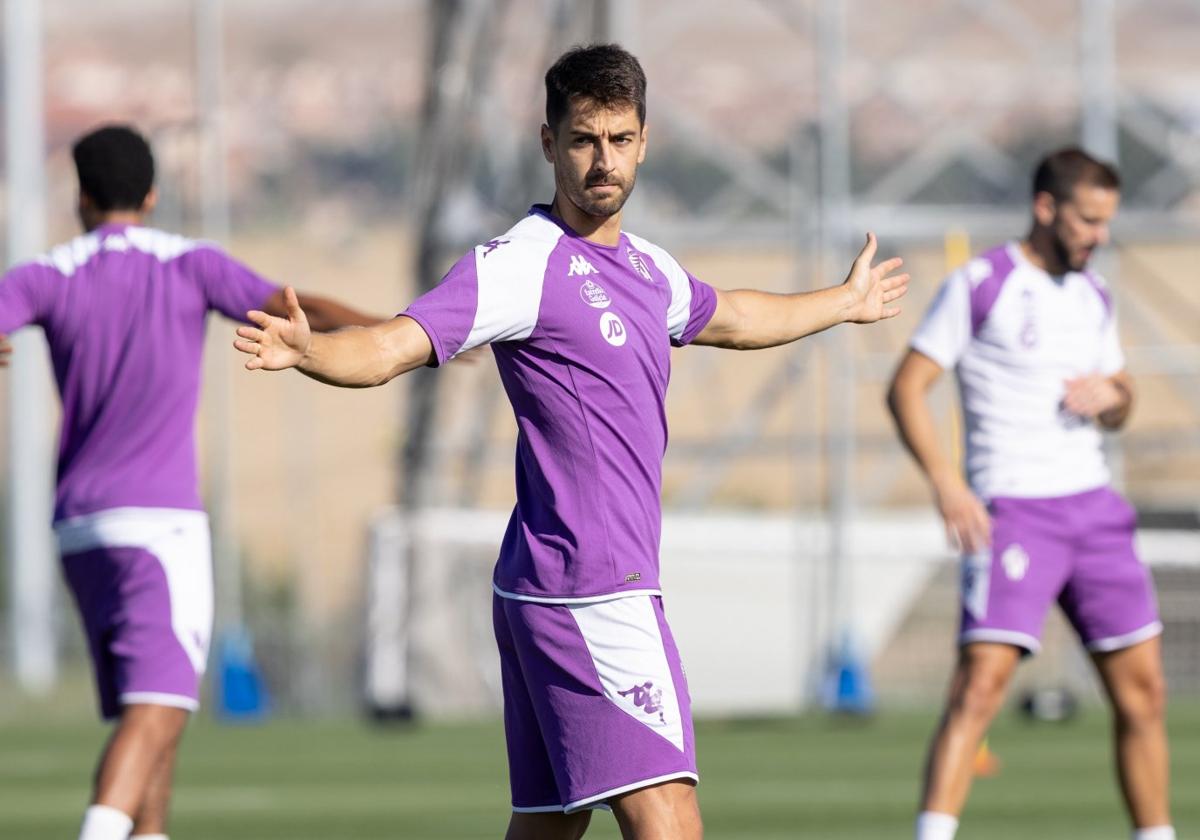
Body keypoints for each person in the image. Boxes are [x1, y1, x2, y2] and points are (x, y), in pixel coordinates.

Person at [235, 44, 908, 840]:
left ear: (645, 140)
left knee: (550, 827)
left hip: (548, 585)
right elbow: (391, 347)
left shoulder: (649, 267)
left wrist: (843, 300)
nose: (603, 161)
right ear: (548, 141)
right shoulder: (519, 265)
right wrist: (311, 352)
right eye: (584, 139)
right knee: (671, 821)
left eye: (620, 140)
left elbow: (734, 317)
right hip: (590, 587)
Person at [0, 124, 381, 840]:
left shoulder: (45, 274)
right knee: (158, 712)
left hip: (80, 529)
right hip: (159, 524)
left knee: (150, 717)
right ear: (151, 193)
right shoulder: (189, 264)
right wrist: (398, 331)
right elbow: (299, 308)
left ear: (79, 198)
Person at [887, 147, 1172, 840]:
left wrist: (1116, 395)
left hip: (1096, 513)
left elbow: (1120, 395)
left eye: (1107, 221)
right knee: (979, 690)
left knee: (1143, 697)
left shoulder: (1092, 295)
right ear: (1046, 208)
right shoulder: (981, 283)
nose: (1100, 235)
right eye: (1089, 220)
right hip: (1014, 514)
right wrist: (949, 484)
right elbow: (907, 387)